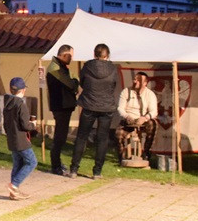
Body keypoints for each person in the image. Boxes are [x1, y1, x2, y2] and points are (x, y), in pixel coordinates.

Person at [68, 43, 119, 179]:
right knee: (102, 139)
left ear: (94, 54)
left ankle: (74, 169)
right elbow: (113, 85)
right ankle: (97, 172)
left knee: (82, 136)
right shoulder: (113, 68)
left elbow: (83, 83)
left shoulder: (87, 66)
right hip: (106, 106)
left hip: (89, 104)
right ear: (107, 55)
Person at [45, 44, 79, 176]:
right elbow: (70, 84)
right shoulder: (55, 69)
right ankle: (55, 166)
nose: (72, 59)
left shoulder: (60, 66)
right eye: (70, 56)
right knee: (59, 137)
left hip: (64, 105)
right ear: (64, 55)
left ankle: (57, 164)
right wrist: (75, 81)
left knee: (61, 136)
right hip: (61, 106)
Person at [4, 77, 38, 200]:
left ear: (10, 89)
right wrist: (33, 125)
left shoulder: (7, 103)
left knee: (17, 164)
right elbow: (25, 125)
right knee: (32, 162)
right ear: (23, 90)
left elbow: (6, 124)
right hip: (21, 140)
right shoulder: (20, 105)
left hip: (11, 138)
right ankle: (14, 185)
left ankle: (14, 192)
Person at [115, 71, 158, 162]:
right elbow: (120, 108)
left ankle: (146, 154)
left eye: (138, 80)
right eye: (134, 79)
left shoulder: (150, 94)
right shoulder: (126, 91)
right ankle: (122, 158)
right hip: (128, 120)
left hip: (143, 120)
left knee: (153, 124)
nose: (135, 82)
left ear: (145, 83)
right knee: (118, 133)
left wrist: (145, 118)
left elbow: (154, 111)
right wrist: (127, 116)